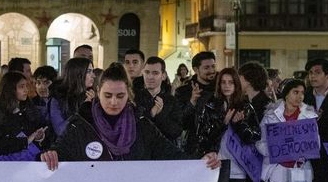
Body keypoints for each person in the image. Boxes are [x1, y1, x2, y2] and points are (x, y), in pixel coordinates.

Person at [39, 62, 218, 167]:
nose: (114, 102)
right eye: (107, 96)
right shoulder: (80, 124)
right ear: (98, 91)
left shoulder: (141, 125)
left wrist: (200, 162)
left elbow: (171, 153)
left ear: (129, 94)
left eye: (120, 96)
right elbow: (59, 151)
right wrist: (50, 155)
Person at [0, 71, 48, 161]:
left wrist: (39, 136)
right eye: (21, 87)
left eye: (26, 86)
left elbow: (35, 128)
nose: (26, 90)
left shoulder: (28, 108)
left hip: (28, 157)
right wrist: (26, 141)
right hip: (4, 160)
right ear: (10, 89)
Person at [136, 56, 184, 147]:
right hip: (141, 153)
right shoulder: (135, 98)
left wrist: (160, 115)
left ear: (163, 76)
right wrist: (151, 114)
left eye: (155, 73)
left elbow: (176, 131)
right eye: (147, 72)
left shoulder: (171, 101)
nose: (150, 77)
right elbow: (132, 128)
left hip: (165, 152)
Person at [176, 51, 219, 143]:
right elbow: (181, 122)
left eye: (213, 66)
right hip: (194, 144)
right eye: (206, 67)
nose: (211, 71)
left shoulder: (222, 87)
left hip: (220, 141)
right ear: (196, 69)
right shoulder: (183, 91)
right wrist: (192, 101)